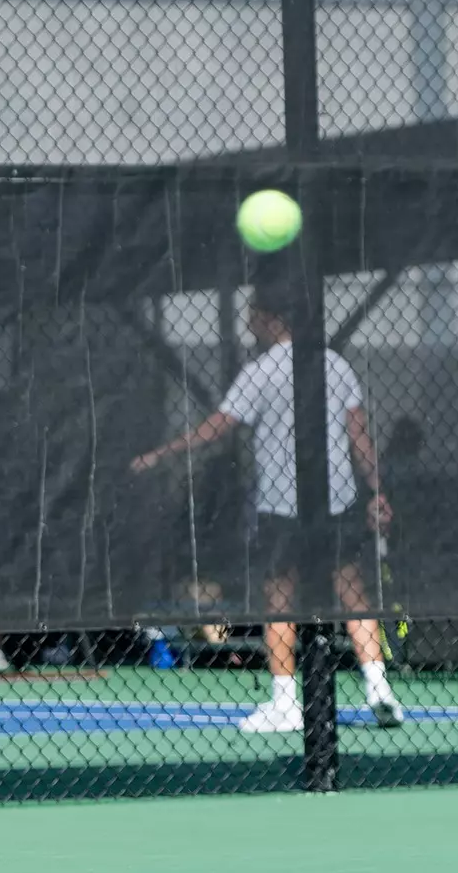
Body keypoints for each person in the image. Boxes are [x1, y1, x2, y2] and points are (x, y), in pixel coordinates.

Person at [131, 295, 402, 733]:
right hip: (337, 499)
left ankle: (286, 704)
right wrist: (376, 490)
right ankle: (379, 688)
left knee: (279, 602)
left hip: (281, 505)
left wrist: (159, 455)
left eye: (251, 316)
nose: (248, 323)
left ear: (268, 317)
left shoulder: (261, 372)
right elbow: (360, 435)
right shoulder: (334, 364)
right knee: (353, 594)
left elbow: (217, 426)